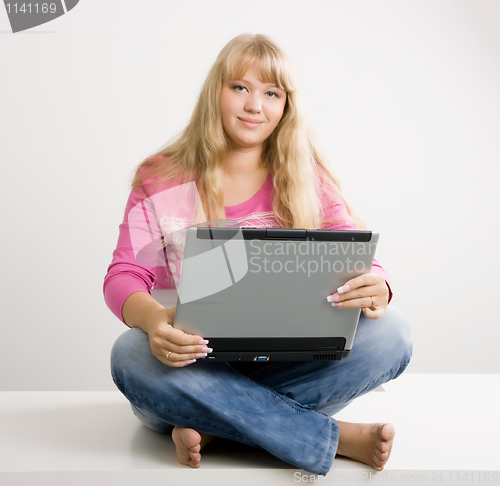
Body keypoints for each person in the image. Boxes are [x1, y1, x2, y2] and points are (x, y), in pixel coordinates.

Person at [104, 33, 413, 476]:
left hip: (284, 360)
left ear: (286, 106)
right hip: (194, 360)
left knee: (393, 333)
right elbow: (123, 275)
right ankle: (334, 438)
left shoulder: (308, 176)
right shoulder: (161, 176)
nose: (255, 105)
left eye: (271, 93)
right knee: (130, 355)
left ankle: (214, 425)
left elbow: (350, 243)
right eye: (240, 88)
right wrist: (154, 321)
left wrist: (377, 282)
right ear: (217, 92)